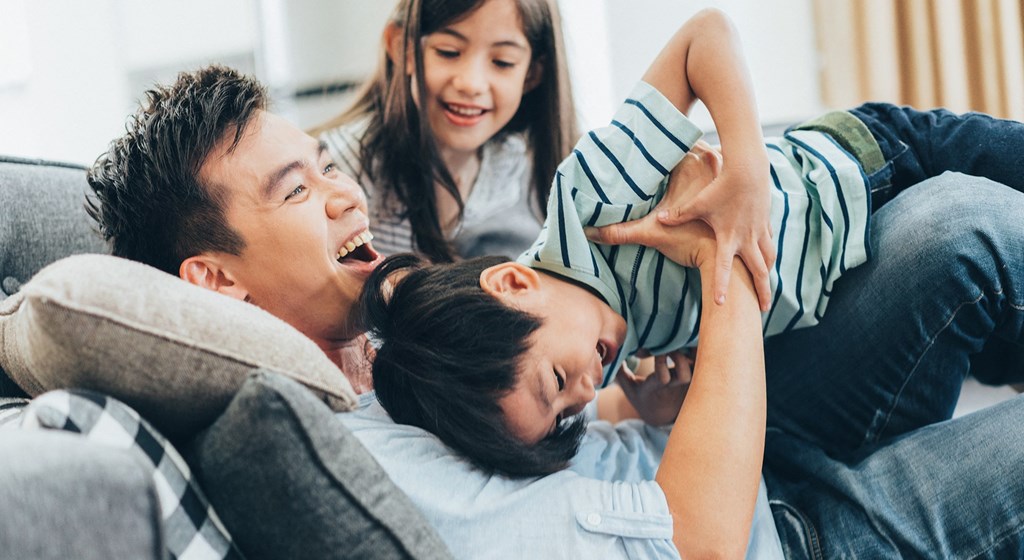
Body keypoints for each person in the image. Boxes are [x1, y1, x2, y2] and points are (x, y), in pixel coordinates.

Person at [86, 60, 1024, 560]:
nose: (344, 197)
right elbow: (697, 543)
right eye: (298, 191)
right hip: (784, 531)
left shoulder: (379, 352)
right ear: (215, 282)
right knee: (966, 224)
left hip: (742, 436)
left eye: (329, 166)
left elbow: (547, 425)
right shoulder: (344, 453)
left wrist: (627, 401)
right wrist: (721, 266)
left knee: (960, 224)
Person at [358, 6, 1024, 474]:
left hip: (866, 167)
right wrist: (648, 407)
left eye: (559, 381)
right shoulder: (594, 343)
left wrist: (746, 171)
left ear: (511, 284)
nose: (584, 392)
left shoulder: (588, 199)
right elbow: (610, 393)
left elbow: (705, 34)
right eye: (568, 411)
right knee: (987, 338)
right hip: (841, 283)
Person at [312, 0, 578, 262]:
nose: (471, 84)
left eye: (503, 62)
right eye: (449, 52)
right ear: (402, 47)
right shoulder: (341, 168)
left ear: (532, 74)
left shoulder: (518, 162)